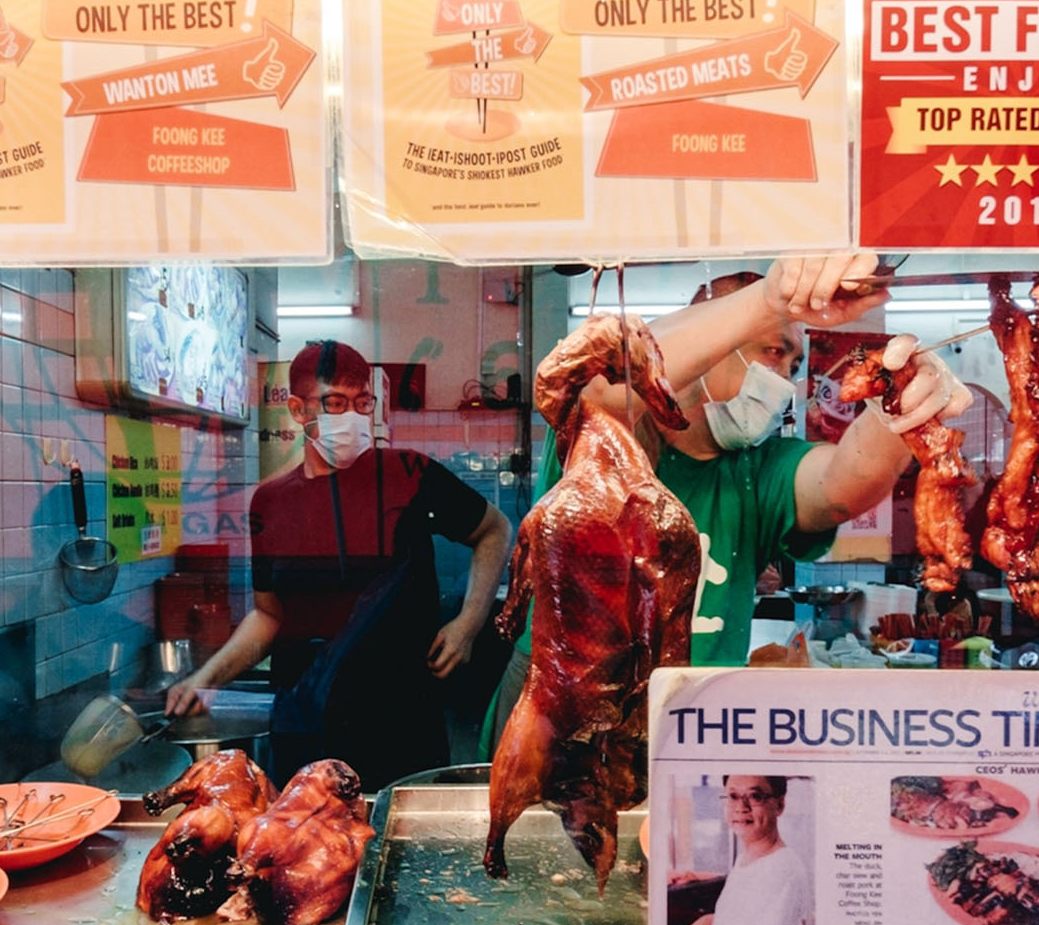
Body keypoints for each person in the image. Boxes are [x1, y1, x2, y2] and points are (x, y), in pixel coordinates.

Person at [482, 254, 971, 752]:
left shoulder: (759, 470)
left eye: (794, 364)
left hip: (696, 712)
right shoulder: (606, 436)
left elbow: (844, 485)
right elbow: (607, 385)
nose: (785, 378)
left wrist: (902, 401)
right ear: (712, 346)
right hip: (562, 703)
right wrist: (766, 300)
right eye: (773, 351)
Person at [168, 340, 513, 789]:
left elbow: (494, 530)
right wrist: (205, 679)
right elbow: (270, 616)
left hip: (399, 718)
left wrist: (468, 623)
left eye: (362, 403)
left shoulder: (408, 475)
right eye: (335, 403)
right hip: (307, 722)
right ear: (297, 409)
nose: (352, 416)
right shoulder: (270, 501)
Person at [670, 775, 812, 925]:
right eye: (733, 796)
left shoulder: (781, 870)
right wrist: (709, 921)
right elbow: (752, 915)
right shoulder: (749, 856)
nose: (741, 807)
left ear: (779, 805)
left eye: (755, 796)